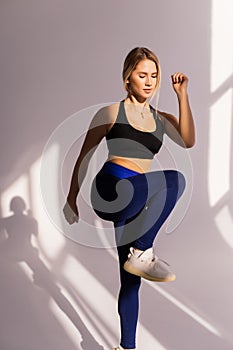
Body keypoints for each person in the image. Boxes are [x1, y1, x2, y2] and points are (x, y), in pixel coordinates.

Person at [63, 47, 196, 350]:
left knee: (130, 278)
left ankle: (126, 347)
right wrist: (71, 198)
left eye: (154, 76)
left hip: (138, 197)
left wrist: (182, 95)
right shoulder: (110, 113)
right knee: (175, 179)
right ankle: (144, 252)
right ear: (127, 78)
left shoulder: (161, 119)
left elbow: (188, 140)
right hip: (111, 188)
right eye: (141, 75)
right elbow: (85, 156)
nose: (149, 81)